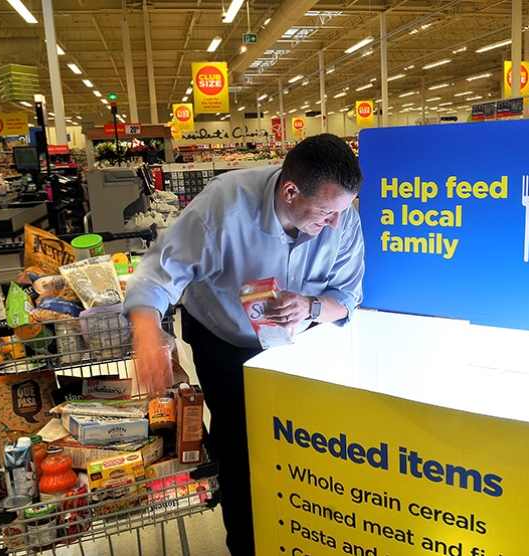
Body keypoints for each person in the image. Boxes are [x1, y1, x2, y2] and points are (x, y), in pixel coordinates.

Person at [122, 133, 364, 555]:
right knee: (241, 449)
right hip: (225, 342)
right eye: (326, 212)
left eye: (342, 211)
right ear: (290, 191)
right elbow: (158, 274)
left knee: (304, 449)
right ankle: (247, 544)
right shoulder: (223, 207)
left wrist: (308, 307)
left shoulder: (342, 218)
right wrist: (147, 333)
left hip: (301, 349)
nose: (336, 224)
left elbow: (346, 300)